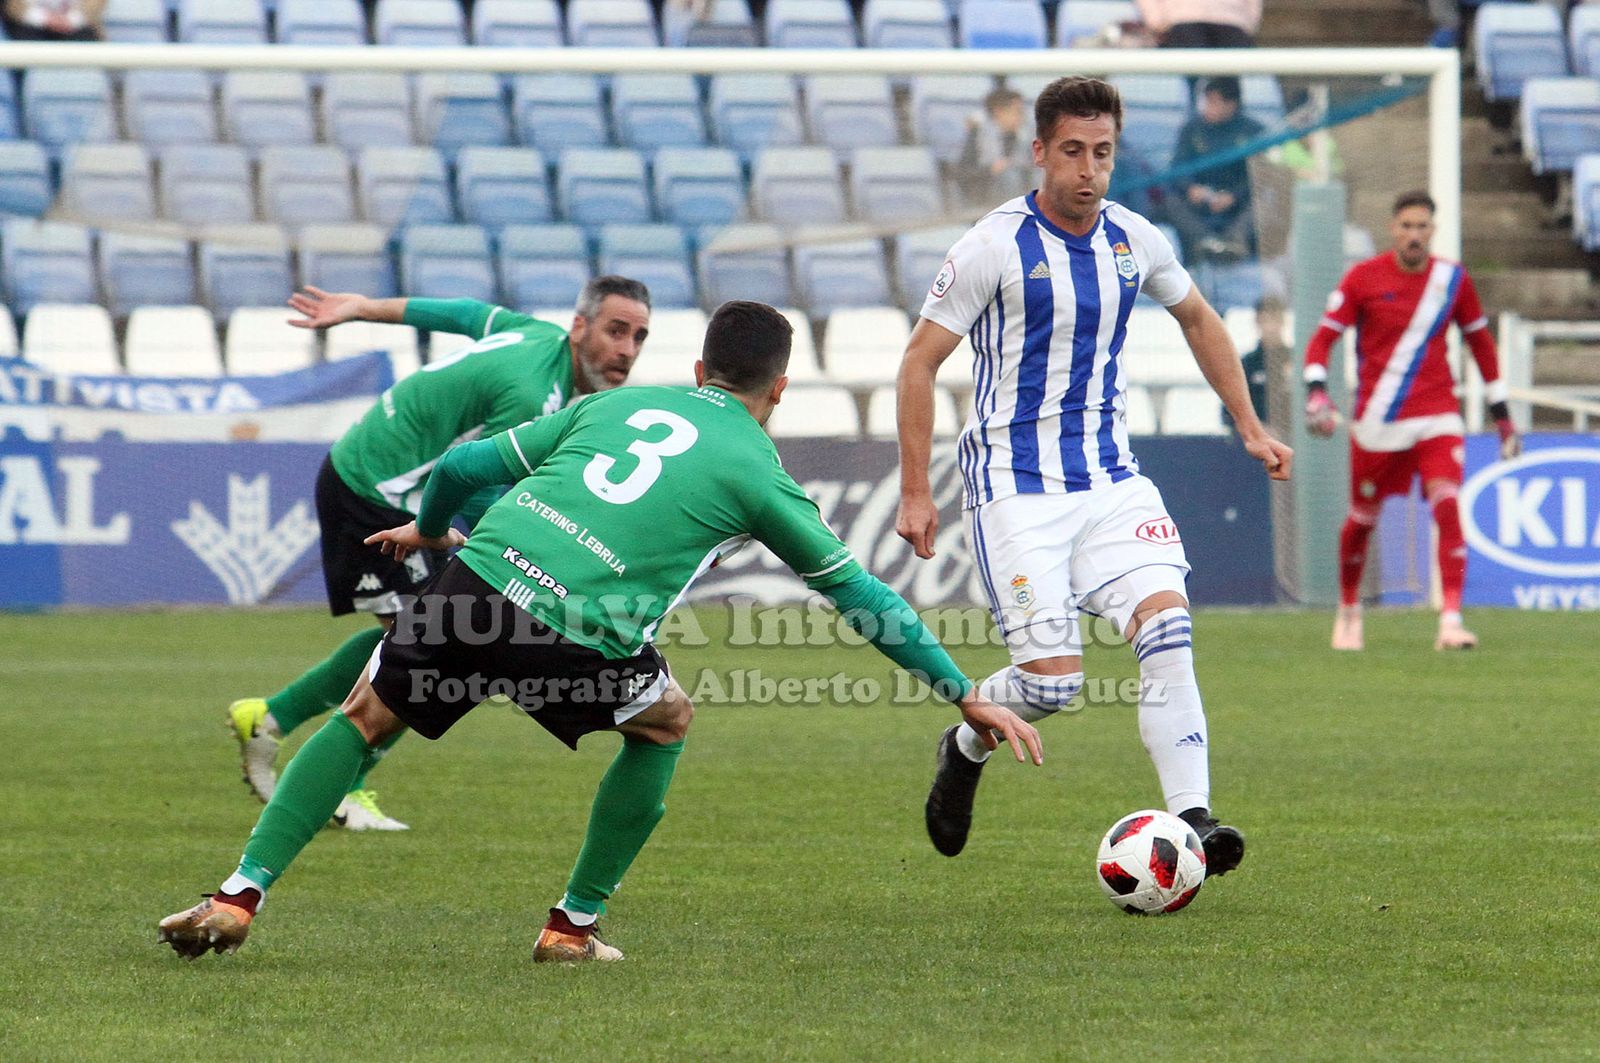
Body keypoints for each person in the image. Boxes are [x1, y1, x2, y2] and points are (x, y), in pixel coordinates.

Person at [157, 301, 1044, 963]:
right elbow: (861, 596)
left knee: (363, 718)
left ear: (698, 368)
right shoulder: (761, 474)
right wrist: (964, 693)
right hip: (574, 633)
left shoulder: (611, 406)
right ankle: (571, 925)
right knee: (666, 720)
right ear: (778, 388)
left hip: (479, 580)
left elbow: (466, 463)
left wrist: (432, 529)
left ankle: (238, 894)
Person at [896, 77, 1293, 874]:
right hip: (1016, 486)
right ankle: (966, 741)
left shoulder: (1134, 238)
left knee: (1169, 630)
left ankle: (1195, 820)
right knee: (1053, 685)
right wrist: (914, 488)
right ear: (1040, 151)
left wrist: (1249, 424)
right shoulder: (992, 245)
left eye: (1102, 153)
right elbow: (919, 361)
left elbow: (1199, 318)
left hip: (1113, 481)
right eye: (1072, 151)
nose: (1088, 169)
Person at [225, 278, 651, 831]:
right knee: (425, 644)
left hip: (383, 478)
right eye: (616, 330)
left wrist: (362, 306)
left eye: (639, 336)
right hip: (375, 488)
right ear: (579, 326)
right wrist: (500, 560)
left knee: (423, 638)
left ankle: (273, 717)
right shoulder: (531, 394)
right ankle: (333, 775)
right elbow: (477, 485)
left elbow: (463, 312)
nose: (627, 349)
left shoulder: (532, 334)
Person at [1303, 190, 1518, 652]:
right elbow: (1322, 340)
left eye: (1423, 227)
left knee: (1447, 504)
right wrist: (1316, 393)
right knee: (1361, 520)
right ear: (1392, 229)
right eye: (1407, 226)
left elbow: (1482, 347)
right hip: (1377, 421)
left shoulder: (1452, 280)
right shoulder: (1362, 278)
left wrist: (1503, 419)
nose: (1414, 235)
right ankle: (1349, 609)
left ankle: (1451, 621)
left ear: (1433, 231)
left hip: (1437, 414)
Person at [1163, 76, 1265, 262]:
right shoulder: (1191, 129)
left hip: (1237, 203)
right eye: (1206, 101)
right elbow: (1177, 167)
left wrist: (1234, 196)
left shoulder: (1253, 132)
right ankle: (1206, 243)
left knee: (1263, 202)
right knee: (1170, 201)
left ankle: (1233, 243)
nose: (1208, 107)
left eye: (1214, 102)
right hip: (1199, 202)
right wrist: (1191, 188)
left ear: (1231, 104)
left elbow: (1262, 176)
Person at [959, 87, 1035, 205]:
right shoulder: (978, 135)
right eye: (1017, 111)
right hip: (985, 201)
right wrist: (990, 170)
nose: (1022, 117)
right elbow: (963, 173)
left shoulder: (1026, 138)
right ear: (999, 112)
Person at [1222, 295, 1284, 436]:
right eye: (1266, 321)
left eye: (1275, 320)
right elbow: (1229, 412)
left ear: (1282, 321)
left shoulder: (1295, 361)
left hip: (1296, 442)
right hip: (1256, 444)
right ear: (1257, 322)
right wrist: (1258, 430)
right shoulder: (1246, 364)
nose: (1271, 328)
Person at [1134, 0, 1260, 48]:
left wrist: (1247, 24)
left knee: (1229, 83)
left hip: (1232, 22)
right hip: (1182, 21)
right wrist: (1157, 21)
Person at [2, 0, 103, 40]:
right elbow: (13, 7)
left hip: (76, 29)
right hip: (30, 28)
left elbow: (94, 7)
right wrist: (45, 19)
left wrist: (69, 21)